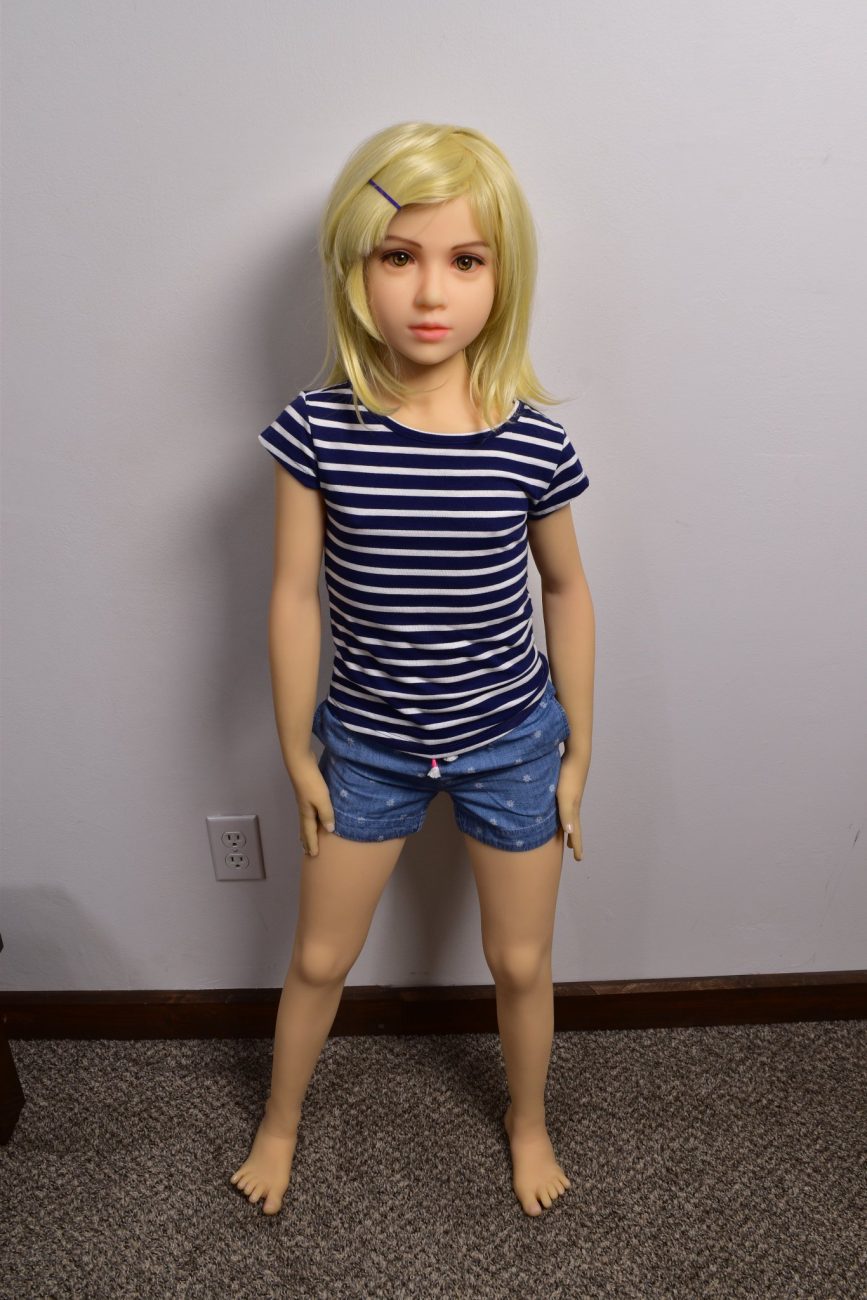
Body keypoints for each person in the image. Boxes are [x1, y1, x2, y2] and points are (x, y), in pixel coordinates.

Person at [230, 122, 595, 1218]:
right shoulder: (316, 434)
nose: (430, 292)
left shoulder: (531, 444)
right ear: (355, 264)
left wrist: (579, 748)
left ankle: (527, 1121)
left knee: (520, 961)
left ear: (502, 274)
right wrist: (298, 749)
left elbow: (567, 591)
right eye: (400, 255)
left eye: (465, 259)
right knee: (319, 956)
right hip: (369, 742)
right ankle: (279, 1122)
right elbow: (293, 596)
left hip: (511, 740)